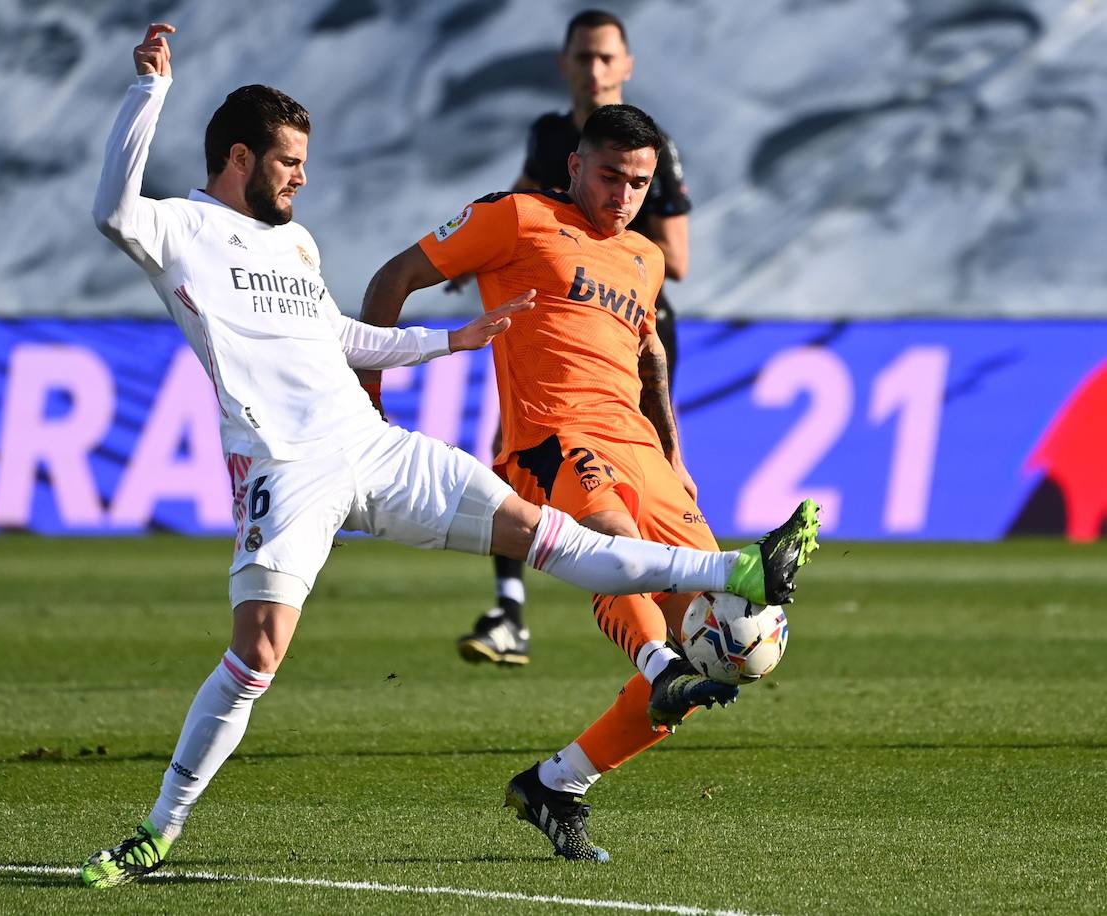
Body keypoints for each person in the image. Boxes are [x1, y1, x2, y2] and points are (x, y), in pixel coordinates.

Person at [80, 24, 818, 887]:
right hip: (287, 465)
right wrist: (150, 91)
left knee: (548, 538)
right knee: (256, 659)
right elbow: (110, 208)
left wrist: (447, 341)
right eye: (290, 162)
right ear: (238, 158)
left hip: (375, 447)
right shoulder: (178, 229)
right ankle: (155, 832)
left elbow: (340, 334)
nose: (303, 178)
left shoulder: (297, 242)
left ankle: (728, 583)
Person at [357, 102, 819, 861]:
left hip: (643, 452)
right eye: (609, 176)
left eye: (638, 182)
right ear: (575, 166)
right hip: (555, 440)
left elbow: (649, 361)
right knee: (615, 548)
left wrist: (673, 457)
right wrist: (367, 404)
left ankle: (556, 784)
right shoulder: (513, 217)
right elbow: (394, 277)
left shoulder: (646, 258)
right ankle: (655, 662)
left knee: (728, 647)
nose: (623, 194)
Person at [460, 9, 695, 667]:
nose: (594, 70)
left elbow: (677, 257)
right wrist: (479, 253)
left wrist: (610, 236)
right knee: (517, 451)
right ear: (564, 65)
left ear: (626, 67)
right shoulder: (549, 134)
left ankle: (668, 622)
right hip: (551, 322)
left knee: (641, 483)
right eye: (583, 58)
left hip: (631, 329)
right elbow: (522, 211)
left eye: (605, 58)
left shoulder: (654, 145)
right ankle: (511, 611)